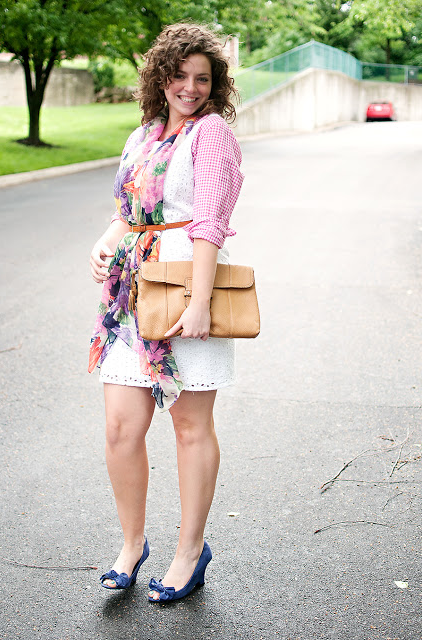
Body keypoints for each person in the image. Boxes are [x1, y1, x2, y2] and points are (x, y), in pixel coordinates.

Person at [88, 22, 244, 602]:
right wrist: (102, 245)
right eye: (180, 75)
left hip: (184, 289)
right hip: (133, 294)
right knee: (122, 427)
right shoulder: (143, 136)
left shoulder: (212, 137)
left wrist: (201, 302)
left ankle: (188, 551)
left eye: (203, 78)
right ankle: (132, 545)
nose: (191, 87)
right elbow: (126, 213)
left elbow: (208, 224)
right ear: (160, 76)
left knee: (189, 427)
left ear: (215, 84)